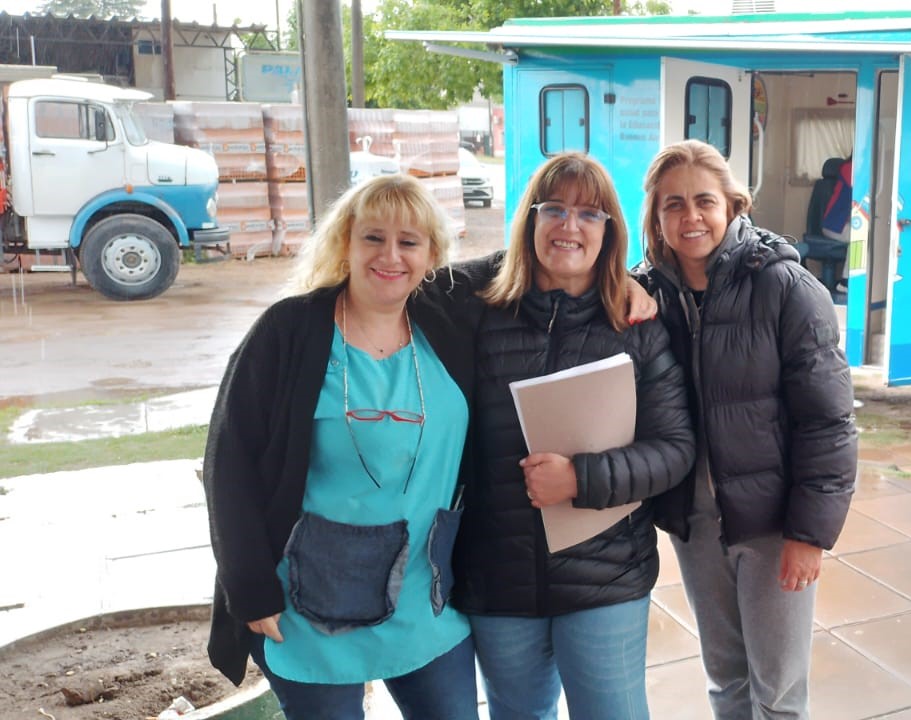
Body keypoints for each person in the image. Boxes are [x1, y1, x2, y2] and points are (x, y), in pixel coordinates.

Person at [202, 174, 478, 719]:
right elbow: (228, 464)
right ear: (345, 243)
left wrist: (633, 281)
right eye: (373, 237)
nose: (390, 256)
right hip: (309, 607)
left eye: (409, 241)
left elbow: (533, 268)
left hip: (426, 600)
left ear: (432, 256)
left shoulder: (449, 323)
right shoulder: (288, 331)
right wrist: (249, 587)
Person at [451, 151, 696, 720]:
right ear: (530, 219)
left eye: (589, 214)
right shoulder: (478, 309)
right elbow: (404, 276)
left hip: (606, 577)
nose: (569, 225)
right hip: (498, 578)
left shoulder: (635, 325)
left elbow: (675, 449)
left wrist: (580, 479)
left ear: (609, 231)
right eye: (554, 209)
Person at [640, 140, 858, 719]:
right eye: (673, 204)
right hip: (695, 523)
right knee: (726, 677)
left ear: (733, 206)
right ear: (656, 217)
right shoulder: (648, 295)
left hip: (772, 523)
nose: (690, 217)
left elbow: (829, 422)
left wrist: (809, 534)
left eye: (704, 201)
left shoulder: (786, 288)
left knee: (778, 690)